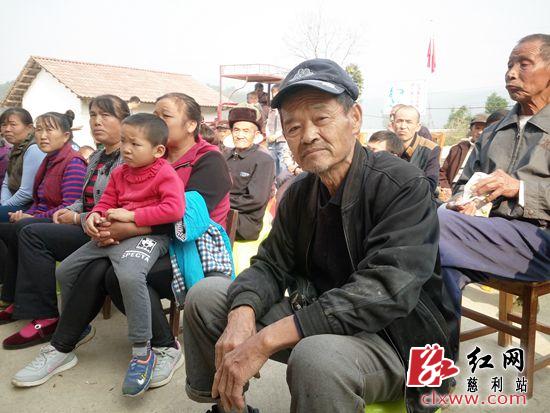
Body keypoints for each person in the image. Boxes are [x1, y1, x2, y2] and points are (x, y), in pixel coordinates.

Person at [183, 58, 456, 413]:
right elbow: (270, 264)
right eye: (294, 127)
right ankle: (228, 407)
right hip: (320, 316)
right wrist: (242, 313)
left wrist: (265, 340)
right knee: (207, 297)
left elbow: (386, 290)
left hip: (397, 338)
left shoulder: (402, 185)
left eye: (321, 118)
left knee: (317, 357)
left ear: (354, 118)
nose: (308, 135)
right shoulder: (299, 192)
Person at [13, 92, 232, 392]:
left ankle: (161, 347)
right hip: (138, 236)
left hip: (188, 248)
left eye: (165, 115)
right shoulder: (139, 159)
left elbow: (189, 219)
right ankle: (64, 343)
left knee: (113, 272)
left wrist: (128, 227)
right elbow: (109, 199)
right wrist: (99, 221)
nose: (156, 120)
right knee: (88, 265)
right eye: (154, 113)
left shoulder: (208, 159)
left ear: (191, 124)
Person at [53, 113, 185, 396]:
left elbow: (174, 210)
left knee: (128, 275)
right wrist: (95, 216)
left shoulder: (165, 173)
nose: (126, 148)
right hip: (111, 233)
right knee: (65, 270)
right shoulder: (119, 172)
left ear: (158, 150)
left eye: (135, 144)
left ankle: (142, 350)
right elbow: (106, 202)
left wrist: (132, 216)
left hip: (149, 237)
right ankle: (75, 327)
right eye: (124, 141)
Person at [439, 33, 550, 325]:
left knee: (431, 226)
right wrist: (462, 201)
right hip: (487, 236)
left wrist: (520, 189)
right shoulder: (492, 132)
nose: (511, 73)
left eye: (524, 64)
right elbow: (462, 184)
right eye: (509, 64)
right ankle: (437, 351)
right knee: (434, 270)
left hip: (541, 243)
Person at [0, 95, 126, 349]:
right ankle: (22, 302)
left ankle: (46, 316)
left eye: (105, 115)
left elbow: (120, 208)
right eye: (93, 115)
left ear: (125, 121)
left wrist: (76, 216)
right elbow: (83, 199)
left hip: (105, 232)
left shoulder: (127, 158)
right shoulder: (97, 157)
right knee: (19, 229)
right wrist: (69, 211)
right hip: (86, 224)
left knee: (30, 231)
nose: (96, 121)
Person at [0, 111, 87, 313]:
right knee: (9, 228)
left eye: (49, 130)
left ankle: (34, 307)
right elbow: (39, 201)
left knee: (23, 228)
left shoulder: (73, 162)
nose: (43, 135)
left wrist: (32, 217)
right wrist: (26, 213)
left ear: (66, 136)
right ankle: (11, 296)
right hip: (44, 217)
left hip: (66, 222)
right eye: (39, 130)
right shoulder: (49, 160)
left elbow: (69, 205)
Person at [225, 106, 275, 241]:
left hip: (244, 222)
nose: (240, 135)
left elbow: (255, 200)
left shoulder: (263, 160)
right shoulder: (225, 156)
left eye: (246, 131)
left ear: (256, 134)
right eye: (236, 130)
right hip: (221, 213)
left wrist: (220, 203)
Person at [0, 108, 46, 222]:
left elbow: (27, 193)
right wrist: (3, 204)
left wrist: (4, 207)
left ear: (29, 128)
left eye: (13, 125)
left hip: (31, 206)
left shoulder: (34, 148)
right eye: (4, 125)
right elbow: (6, 183)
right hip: (14, 202)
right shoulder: (14, 149)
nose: (7, 129)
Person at [438, 113, 488, 197]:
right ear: (471, 129)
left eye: (484, 129)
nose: (480, 132)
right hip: (452, 187)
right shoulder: (458, 149)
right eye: (477, 128)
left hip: (473, 191)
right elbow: (442, 172)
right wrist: (446, 187)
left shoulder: (488, 151)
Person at [393, 105, 440, 193]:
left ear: (418, 127)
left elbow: (431, 185)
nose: (403, 126)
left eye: (409, 122)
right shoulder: (385, 146)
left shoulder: (430, 149)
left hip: (417, 197)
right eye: (399, 121)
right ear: (393, 124)